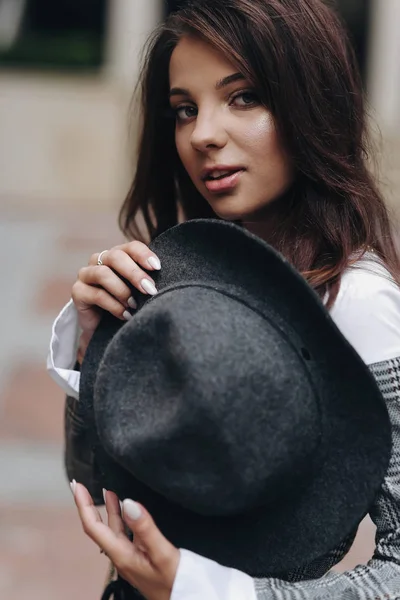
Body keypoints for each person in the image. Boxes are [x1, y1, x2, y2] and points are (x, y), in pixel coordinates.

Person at [47, 0, 400, 598]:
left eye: (244, 97)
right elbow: (100, 485)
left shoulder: (355, 299)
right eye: (185, 110)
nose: (203, 135)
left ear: (311, 101)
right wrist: (92, 350)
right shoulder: (185, 273)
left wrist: (209, 591)